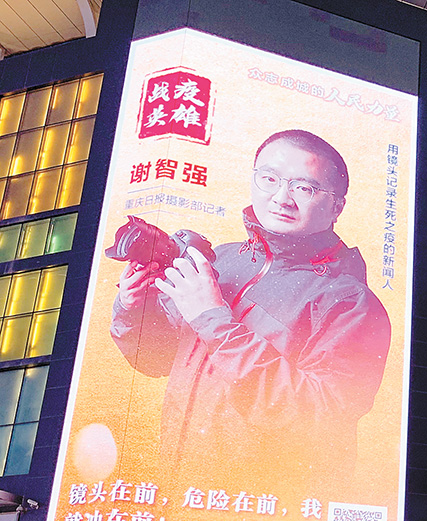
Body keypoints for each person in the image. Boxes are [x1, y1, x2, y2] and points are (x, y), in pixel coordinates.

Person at [110, 129, 391, 492]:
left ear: (337, 206)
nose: (281, 198)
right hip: (181, 489)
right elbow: (158, 360)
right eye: (269, 179)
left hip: (267, 507)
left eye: (304, 188)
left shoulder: (350, 303)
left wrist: (214, 321)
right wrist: (134, 308)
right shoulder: (221, 260)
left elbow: (323, 417)